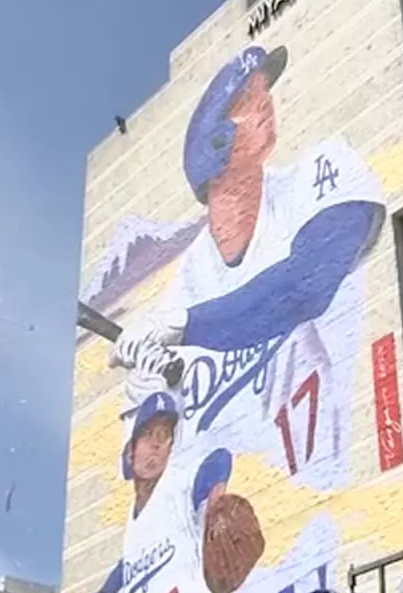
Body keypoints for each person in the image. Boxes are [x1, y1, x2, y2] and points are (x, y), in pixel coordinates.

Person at [115, 44, 387, 485]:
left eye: (264, 92)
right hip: (234, 532)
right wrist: (143, 391)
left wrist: (184, 324)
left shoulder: (320, 172)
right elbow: (151, 460)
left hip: (333, 506)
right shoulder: (187, 281)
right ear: (214, 145)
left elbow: (306, 284)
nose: (266, 105)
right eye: (246, 102)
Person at [91, 392, 243, 593]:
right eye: (148, 434)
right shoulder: (133, 519)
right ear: (130, 452)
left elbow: (219, 459)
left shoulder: (178, 485)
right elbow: (129, 562)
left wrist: (215, 503)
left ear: (169, 448)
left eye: (163, 435)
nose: (156, 444)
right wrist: (105, 592)